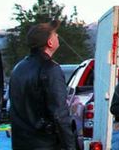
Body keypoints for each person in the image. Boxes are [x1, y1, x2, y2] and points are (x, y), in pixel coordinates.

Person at [9, 22, 72, 150]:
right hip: (45, 144)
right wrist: (70, 146)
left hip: (20, 143)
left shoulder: (17, 69)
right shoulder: (51, 69)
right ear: (50, 42)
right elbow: (59, 114)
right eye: (55, 34)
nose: (57, 36)